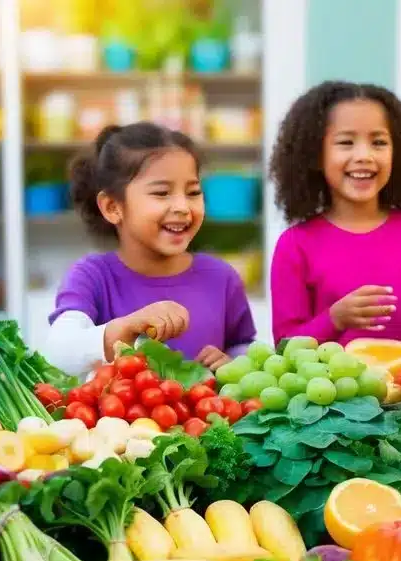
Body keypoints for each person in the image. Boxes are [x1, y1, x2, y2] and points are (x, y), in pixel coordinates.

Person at [45, 122, 256, 376]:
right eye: (162, 193)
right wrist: (125, 328)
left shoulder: (221, 277)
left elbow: (244, 348)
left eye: (193, 192)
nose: (182, 206)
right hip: (122, 417)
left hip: (208, 415)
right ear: (113, 207)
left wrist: (233, 364)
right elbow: (58, 352)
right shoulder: (92, 276)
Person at [269, 81, 401, 355]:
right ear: (315, 154)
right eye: (346, 142)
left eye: (378, 142)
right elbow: (285, 348)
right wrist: (334, 319)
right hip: (333, 396)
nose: (364, 156)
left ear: (399, 152)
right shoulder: (295, 244)